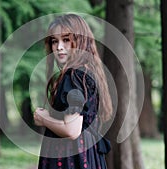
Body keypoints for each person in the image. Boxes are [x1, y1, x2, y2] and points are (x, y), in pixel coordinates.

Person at [33, 14, 113, 169]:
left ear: (80, 41)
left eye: (66, 39)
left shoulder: (74, 76)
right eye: (55, 41)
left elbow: (71, 130)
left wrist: (43, 118)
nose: (59, 47)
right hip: (87, 154)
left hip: (73, 157)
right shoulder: (86, 73)